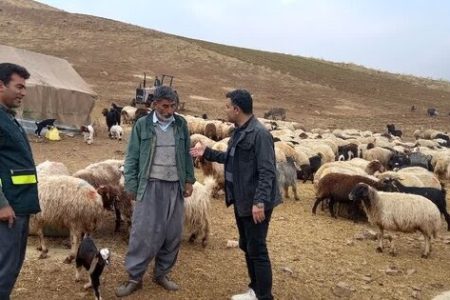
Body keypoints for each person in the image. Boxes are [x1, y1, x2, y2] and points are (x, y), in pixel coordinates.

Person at [190, 89, 281, 300]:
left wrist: (259, 202)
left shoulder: (259, 134)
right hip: (242, 198)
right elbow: (231, 158)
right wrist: (207, 153)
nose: (226, 110)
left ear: (237, 109)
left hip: (255, 201)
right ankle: (255, 290)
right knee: (246, 244)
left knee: (257, 249)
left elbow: (267, 171)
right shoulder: (240, 131)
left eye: (227, 106)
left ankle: (264, 296)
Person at [116, 85, 195, 297]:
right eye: (165, 106)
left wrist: (189, 180)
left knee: (172, 234)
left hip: (174, 186)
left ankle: (161, 274)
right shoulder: (142, 125)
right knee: (143, 232)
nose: (170, 111)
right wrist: (131, 184)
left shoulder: (181, 124)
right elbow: (132, 156)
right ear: (155, 104)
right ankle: (135, 277)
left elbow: (186, 155)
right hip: (150, 185)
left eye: (173, 106)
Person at [0, 63, 40, 299]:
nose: (23, 93)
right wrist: (1, 204)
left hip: (19, 206)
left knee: (11, 267)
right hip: (8, 209)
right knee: (3, 270)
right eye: (19, 87)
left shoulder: (7, 118)